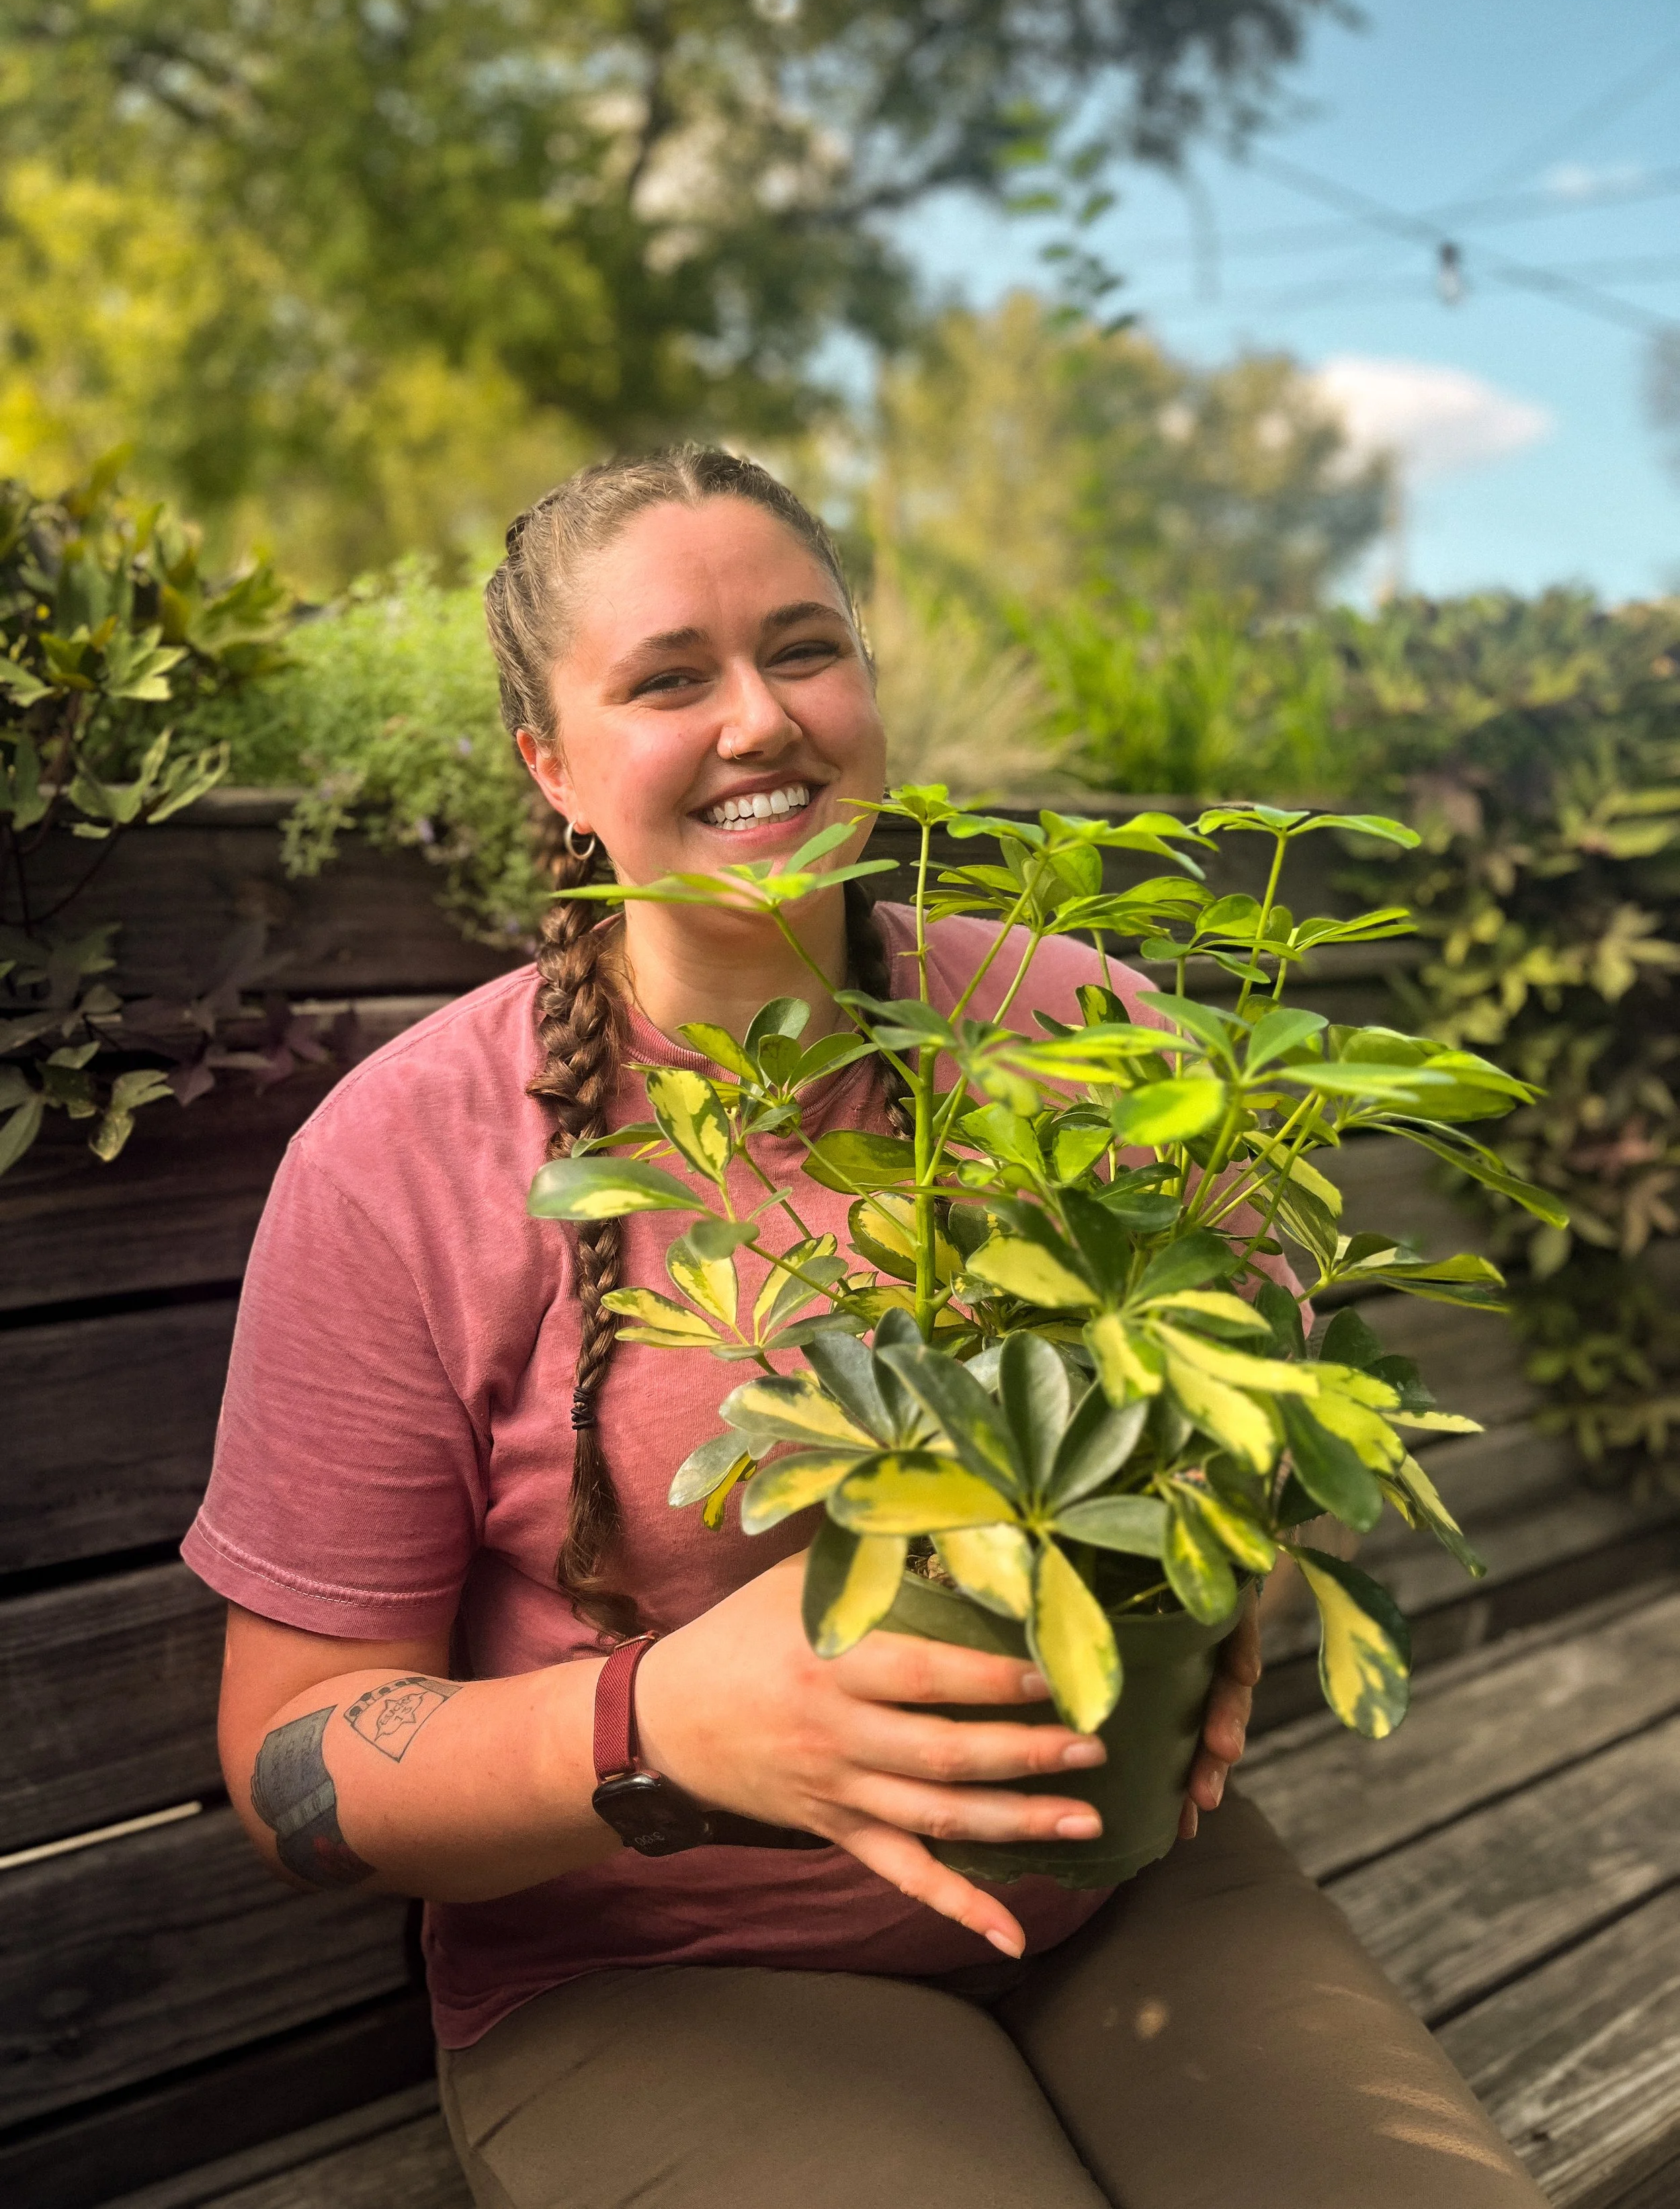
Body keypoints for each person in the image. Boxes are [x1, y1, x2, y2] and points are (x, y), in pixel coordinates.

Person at [189, 448, 1547, 2209]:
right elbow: (292, 1758)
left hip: (1118, 1872)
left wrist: (1223, 1584)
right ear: (551, 760)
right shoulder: (401, 1158)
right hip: (669, 1968)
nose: (758, 717)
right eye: (669, 677)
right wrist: (655, 1723)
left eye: (803, 649)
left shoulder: (1075, 1020)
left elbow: (1248, 1420)